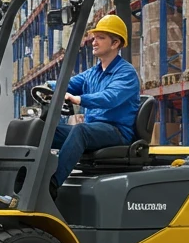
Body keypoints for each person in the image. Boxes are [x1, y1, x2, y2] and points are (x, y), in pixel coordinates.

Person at [48, 14, 142, 194]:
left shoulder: (126, 73)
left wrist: (80, 99)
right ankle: (24, 180)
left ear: (115, 44)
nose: (94, 41)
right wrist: (48, 86)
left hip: (116, 131)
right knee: (44, 129)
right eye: (94, 37)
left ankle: (50, 187)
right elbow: (68, 83)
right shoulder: (93, 73)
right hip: (94, 130)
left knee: (80, 130)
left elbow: (110, 98)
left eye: (101, 38)